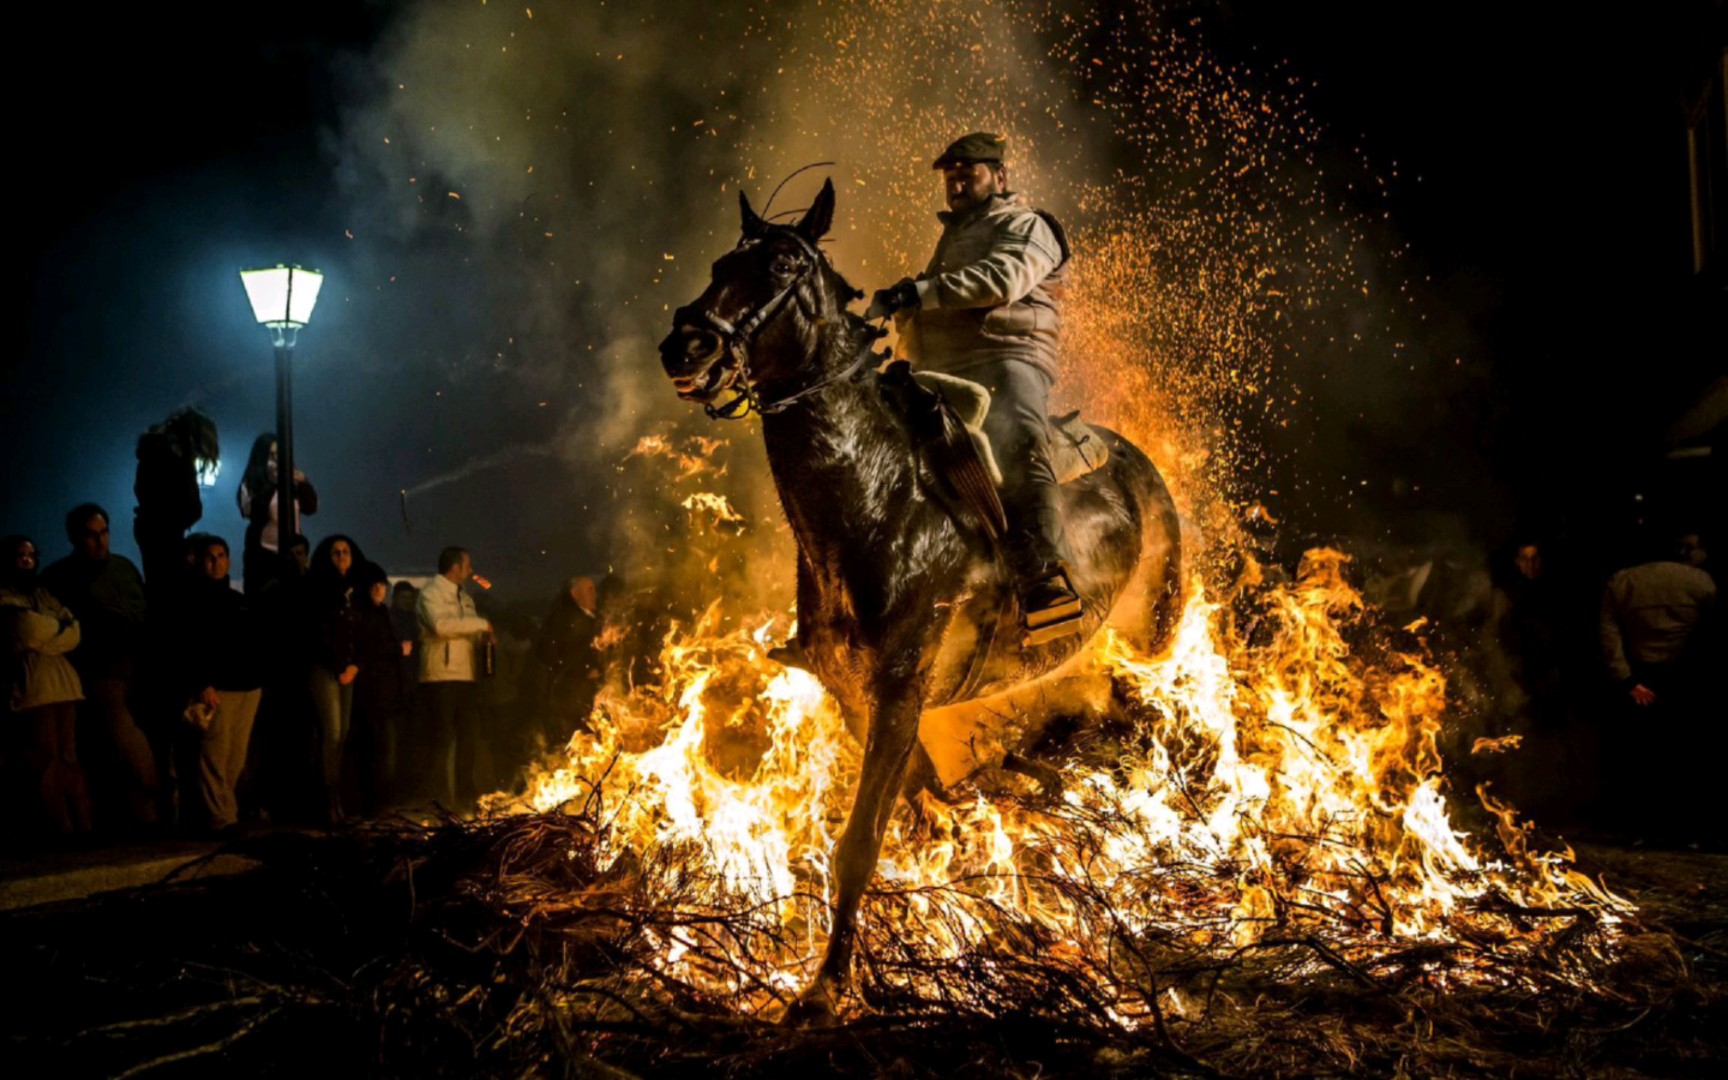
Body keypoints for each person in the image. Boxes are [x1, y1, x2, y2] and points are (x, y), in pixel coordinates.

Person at [865, 131, 1080, 640]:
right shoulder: (952, 240)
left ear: (1000, 177)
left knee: (1019, 441)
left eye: (970, 172)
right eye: (950, 175)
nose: (957, 182)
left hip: (1007, 358)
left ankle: (1045, 579)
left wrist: (918, 292)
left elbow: (1001, 280)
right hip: (942, 370)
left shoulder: (1028, 226)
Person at [39, 504, 159, 830]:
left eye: (103, 533)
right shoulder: (60, 578)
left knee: (130, 742)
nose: (100, 541)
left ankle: (143, 815)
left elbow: (142, 613)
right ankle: (142, 812)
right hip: (101, 673)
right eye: (91, 535)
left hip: (136, 668)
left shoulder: (123, 568)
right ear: (76, 537)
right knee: (122, 743)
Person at [1598, 529, 1718, 843]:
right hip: (1685, 678)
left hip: (1640, 676)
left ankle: (1643, 829)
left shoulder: (1622, 581)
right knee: (1686, 756)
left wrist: (1627, 680)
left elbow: (1609, 637)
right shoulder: (1701, 582)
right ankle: (1687, 831)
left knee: (1642, 757)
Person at [1, 535, 92, 839]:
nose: (27, 561)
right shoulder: (4, 596)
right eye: (20, 555)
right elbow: (26, 631)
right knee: (46, 758)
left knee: (69, 756)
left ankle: (82, 824)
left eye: (31, 555)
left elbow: (74, 631)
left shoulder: (43, 595)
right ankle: (61, 828)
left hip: (64, 685)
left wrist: (49, 634)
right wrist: (56, 631)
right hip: (33, 689)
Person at [174, 534, 263, 836]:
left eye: (222, 555)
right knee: (215, 754)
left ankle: (228, 813)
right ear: (198, 561)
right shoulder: (190, 600)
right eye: (210, 557)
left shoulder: (237, 601)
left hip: (247, 686)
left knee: (235, 757)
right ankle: (220, 819)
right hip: (219, 688)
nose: (217, 562)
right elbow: (186, 646)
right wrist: (201, 683)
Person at [417, 546, 492, 809]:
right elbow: (440, 626)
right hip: (440, 677)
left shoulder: (466, 598)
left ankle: (465, 798)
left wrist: (483, 636)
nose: (471, 571)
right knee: (443, 740)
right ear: (454, 567)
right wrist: (481, 625)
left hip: (466, 676)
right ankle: (439, 801)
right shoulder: (430, 594)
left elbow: (468, 628)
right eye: (468, 565)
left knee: (468, 739)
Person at [304, 535, 365, 823]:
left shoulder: (354, 591)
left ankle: (337, 796)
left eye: (345, 551)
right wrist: (340, 664)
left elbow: (360, 634)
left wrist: (355, 664)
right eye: (335, 552)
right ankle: (328, 799)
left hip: (349, 669)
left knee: (341, 734)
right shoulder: (319, 589)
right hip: (325, 667)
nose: (341, 556)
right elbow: (319, 633)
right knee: (332, 731)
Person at [133, 407, 219, 598]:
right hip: (165, 534)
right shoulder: (174, 459)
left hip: (154, 530)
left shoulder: (153, 454)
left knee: (162, 590)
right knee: (169, 594)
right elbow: (191, 506)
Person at [351, 561, 408, 816]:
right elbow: (368, 649)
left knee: (387, 749)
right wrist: (399, 650)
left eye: (381, 585)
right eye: (374, 585)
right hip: (370, 693)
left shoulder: (383, 613)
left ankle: (384, 801)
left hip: (388, 693)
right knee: (375, 749)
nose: (378, 589)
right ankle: (374, 803)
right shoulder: (361, 614)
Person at [237, 434, 318, 596]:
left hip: (292, 554)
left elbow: (310, 507)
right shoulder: (252, 483)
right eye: (271, 455)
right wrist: (272, 484)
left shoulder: (291, 482)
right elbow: (249, 511)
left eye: (279, 455)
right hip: (263, 557)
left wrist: (303, 483)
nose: (275, 460)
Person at [534, 576, 602, 743]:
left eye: (594, 588)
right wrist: (584, 669)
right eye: (589, 589)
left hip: (590, 692)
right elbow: (552, 652)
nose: (595, 594)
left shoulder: (594, 618)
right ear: (574, 593)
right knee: (575, 739)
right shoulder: (563, 619)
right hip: (569, 693)